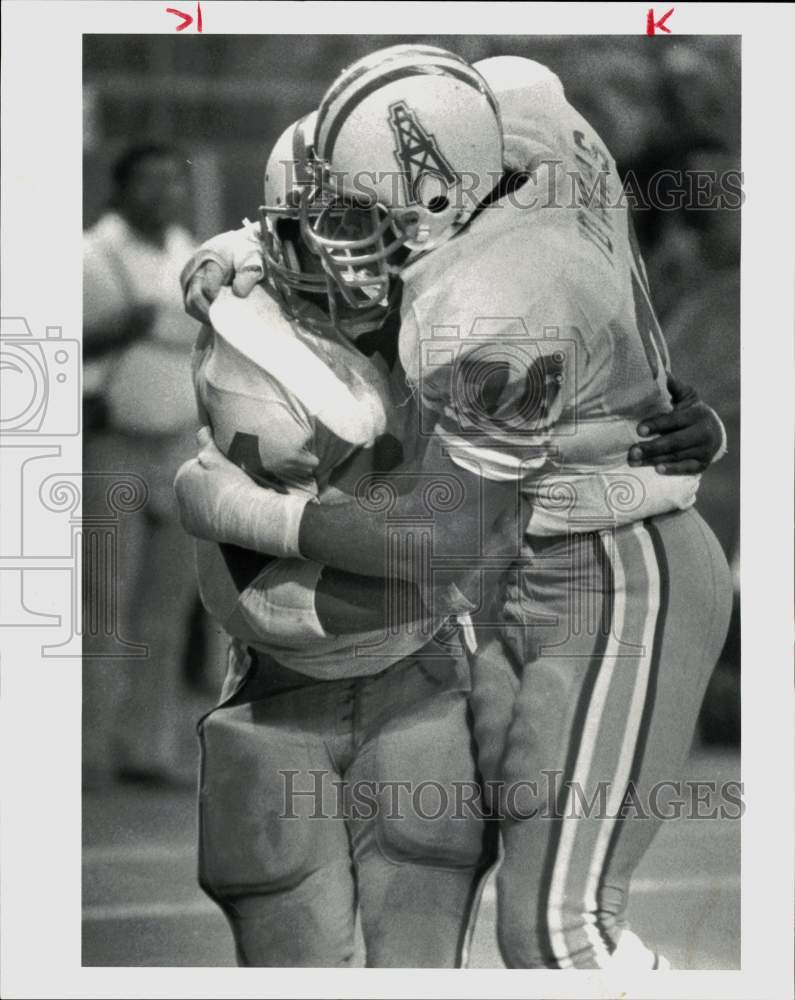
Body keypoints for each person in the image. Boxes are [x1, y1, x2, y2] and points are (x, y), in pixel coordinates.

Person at [177, 47, 731, 969]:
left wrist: (231, 508)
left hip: (592, 570)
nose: (335, 235)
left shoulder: (474, 306)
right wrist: (243, 253)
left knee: (557, 933)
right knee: (523, 917)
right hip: (519, 577)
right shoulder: (522, 106)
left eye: (356, 217)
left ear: (434, 206)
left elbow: (434, 543)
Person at [83, 143, 204, 785]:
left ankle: (148, 749)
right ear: (119, 188)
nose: (163, 194)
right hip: (111, 445)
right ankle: (84, 749)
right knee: (105, 603)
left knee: (168, 604)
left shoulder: (192, 254)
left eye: (171, 182)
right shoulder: (89, 257)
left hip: (180, 443)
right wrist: (118, 329)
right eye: (148, 182)